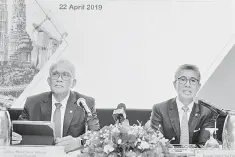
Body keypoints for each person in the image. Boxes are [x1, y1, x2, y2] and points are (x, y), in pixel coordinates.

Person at [13, 59, 100, 152]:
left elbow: (96, 133)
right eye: (55, 74)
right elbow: (18, 131)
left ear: (73, 83)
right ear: (49, 81)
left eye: (66, 75)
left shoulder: (85, 102)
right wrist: (13, 136)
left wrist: (79, 142)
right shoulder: (32, 102)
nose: (59, 79)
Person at [150, 64, 214, 145]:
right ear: (174, 84)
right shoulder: (159, 109)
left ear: (198, 86)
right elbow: (156, 143)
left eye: (193, 80)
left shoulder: (206, 113)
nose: (187, 84)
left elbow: (204, 145)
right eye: (183, 80)